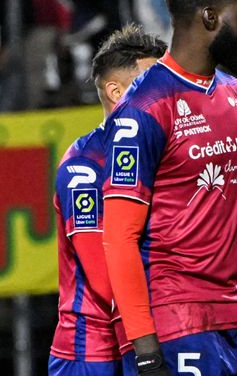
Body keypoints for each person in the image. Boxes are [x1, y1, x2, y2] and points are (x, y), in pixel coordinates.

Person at [100, 0, 237, 375]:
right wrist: (146, 348)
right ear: (210, 17)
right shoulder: (144, 107)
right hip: (181, 321)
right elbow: (118, 237)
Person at [49, 24, 166, 376]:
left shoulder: (159, 151)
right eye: (152, 84)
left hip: (142, 332)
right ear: (117, 92)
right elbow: (103, 276)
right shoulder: (82, 167)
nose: (166, 94)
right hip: (90, 349)